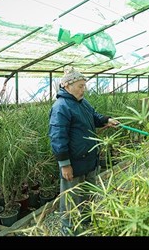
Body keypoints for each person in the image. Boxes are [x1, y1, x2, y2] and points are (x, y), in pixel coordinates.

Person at [48, 66, 119, 236]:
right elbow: (58, 137)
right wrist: (65, 164)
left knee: (88, 195)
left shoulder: (82, 103)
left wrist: (106, 120)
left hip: (90, 160)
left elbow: (94, 116)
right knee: (71, 199)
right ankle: (69, 230)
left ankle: (86, 222)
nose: (83, 89)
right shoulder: (61, 107)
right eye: (80, 86)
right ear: (66, 86)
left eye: (84, 85)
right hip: (74, 163)